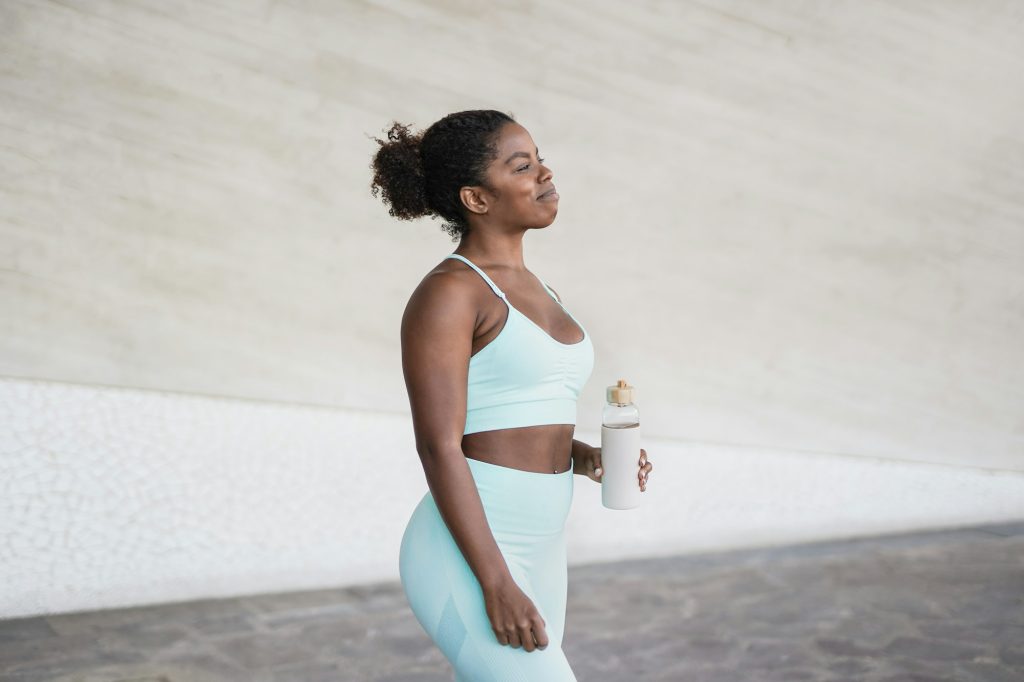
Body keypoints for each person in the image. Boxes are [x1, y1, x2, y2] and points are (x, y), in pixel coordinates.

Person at [370, 109, 653, 680]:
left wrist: (585, 456)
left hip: (543, 541)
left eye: (541, 160)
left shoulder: (538, 287)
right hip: (471, 551)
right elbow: (440, 446)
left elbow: (518, 415)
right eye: (523, 166)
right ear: (476, 198)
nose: (546, 174)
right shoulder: (450, 292)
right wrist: (495, 582)